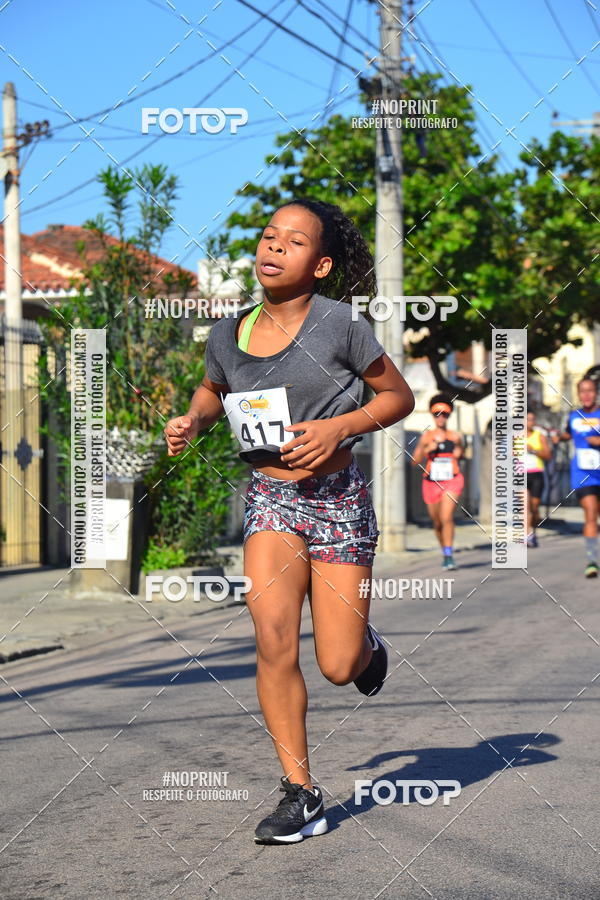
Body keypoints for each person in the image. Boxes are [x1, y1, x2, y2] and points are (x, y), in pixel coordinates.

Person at [163, 198, 414, 844]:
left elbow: (397, 396)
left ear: (322, 264)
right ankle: (301, 793)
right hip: (271, 499)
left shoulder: (341, 326)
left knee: (336, 662)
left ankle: (367, 650)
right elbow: (213, 390)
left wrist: (340, 426)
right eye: (269, 236)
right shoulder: (229, 332)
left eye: (294, 242)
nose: (273, 247)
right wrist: (193, 419)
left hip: (336, 500)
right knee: (272, 636)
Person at [553, 377, 600, 577]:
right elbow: (568, 434)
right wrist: (558, 437)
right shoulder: (573, 416)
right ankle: (592, 561)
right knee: (590, 513)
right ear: (579, 394)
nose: (587, 395)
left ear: (596, 392)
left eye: (590, 390)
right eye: (583, 391)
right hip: (583, 475)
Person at [412, 394, 464, 570]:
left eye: (445, 414)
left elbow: (462, 454)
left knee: (446, 516)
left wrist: (459, 451)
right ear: (432, 415)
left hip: (452, 480)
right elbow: (414, 461)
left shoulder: (456, 436)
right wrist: (427, 449)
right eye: (437, 414)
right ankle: (445, 550)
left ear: (449, 416)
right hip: (431, 482)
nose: (441, 417)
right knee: (437, 522)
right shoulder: (426, 437)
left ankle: (449, 555)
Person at [525, 410, 552, 547]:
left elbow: (548, 455)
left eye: (531, 419)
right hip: (521, 474)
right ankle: (527, 535)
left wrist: (533, 450)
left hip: (536, 475)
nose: (529, 422)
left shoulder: (540, 436)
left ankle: (533, 531)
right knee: (525, 507)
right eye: (527, 419)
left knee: (534, 508)